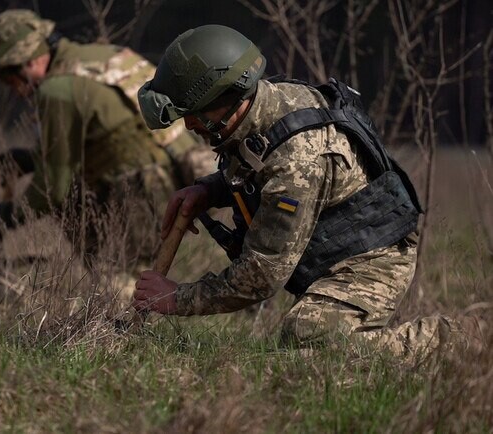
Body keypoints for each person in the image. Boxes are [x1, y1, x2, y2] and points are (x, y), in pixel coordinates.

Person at [133, 25, 480, 361]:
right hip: (335, 247)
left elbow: (261, 276)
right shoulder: (262, 104)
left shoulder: (297, 160)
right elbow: (254, 167)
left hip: (372, 256)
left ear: (224, 99)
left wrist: (178, 298)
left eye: (193, 115)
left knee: (313, 337)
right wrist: (209, 189)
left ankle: (465, 338)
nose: (189, 126)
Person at [0, 10, 213, 263]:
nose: (15, 91)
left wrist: (13, 215)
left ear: (28, 61)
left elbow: (53, 187)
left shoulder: (57, 90)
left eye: (9, 79)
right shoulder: (104, 56)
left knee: (121, 286)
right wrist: (34, 159)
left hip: (147, 192)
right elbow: (113, 135)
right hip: (186, 177)